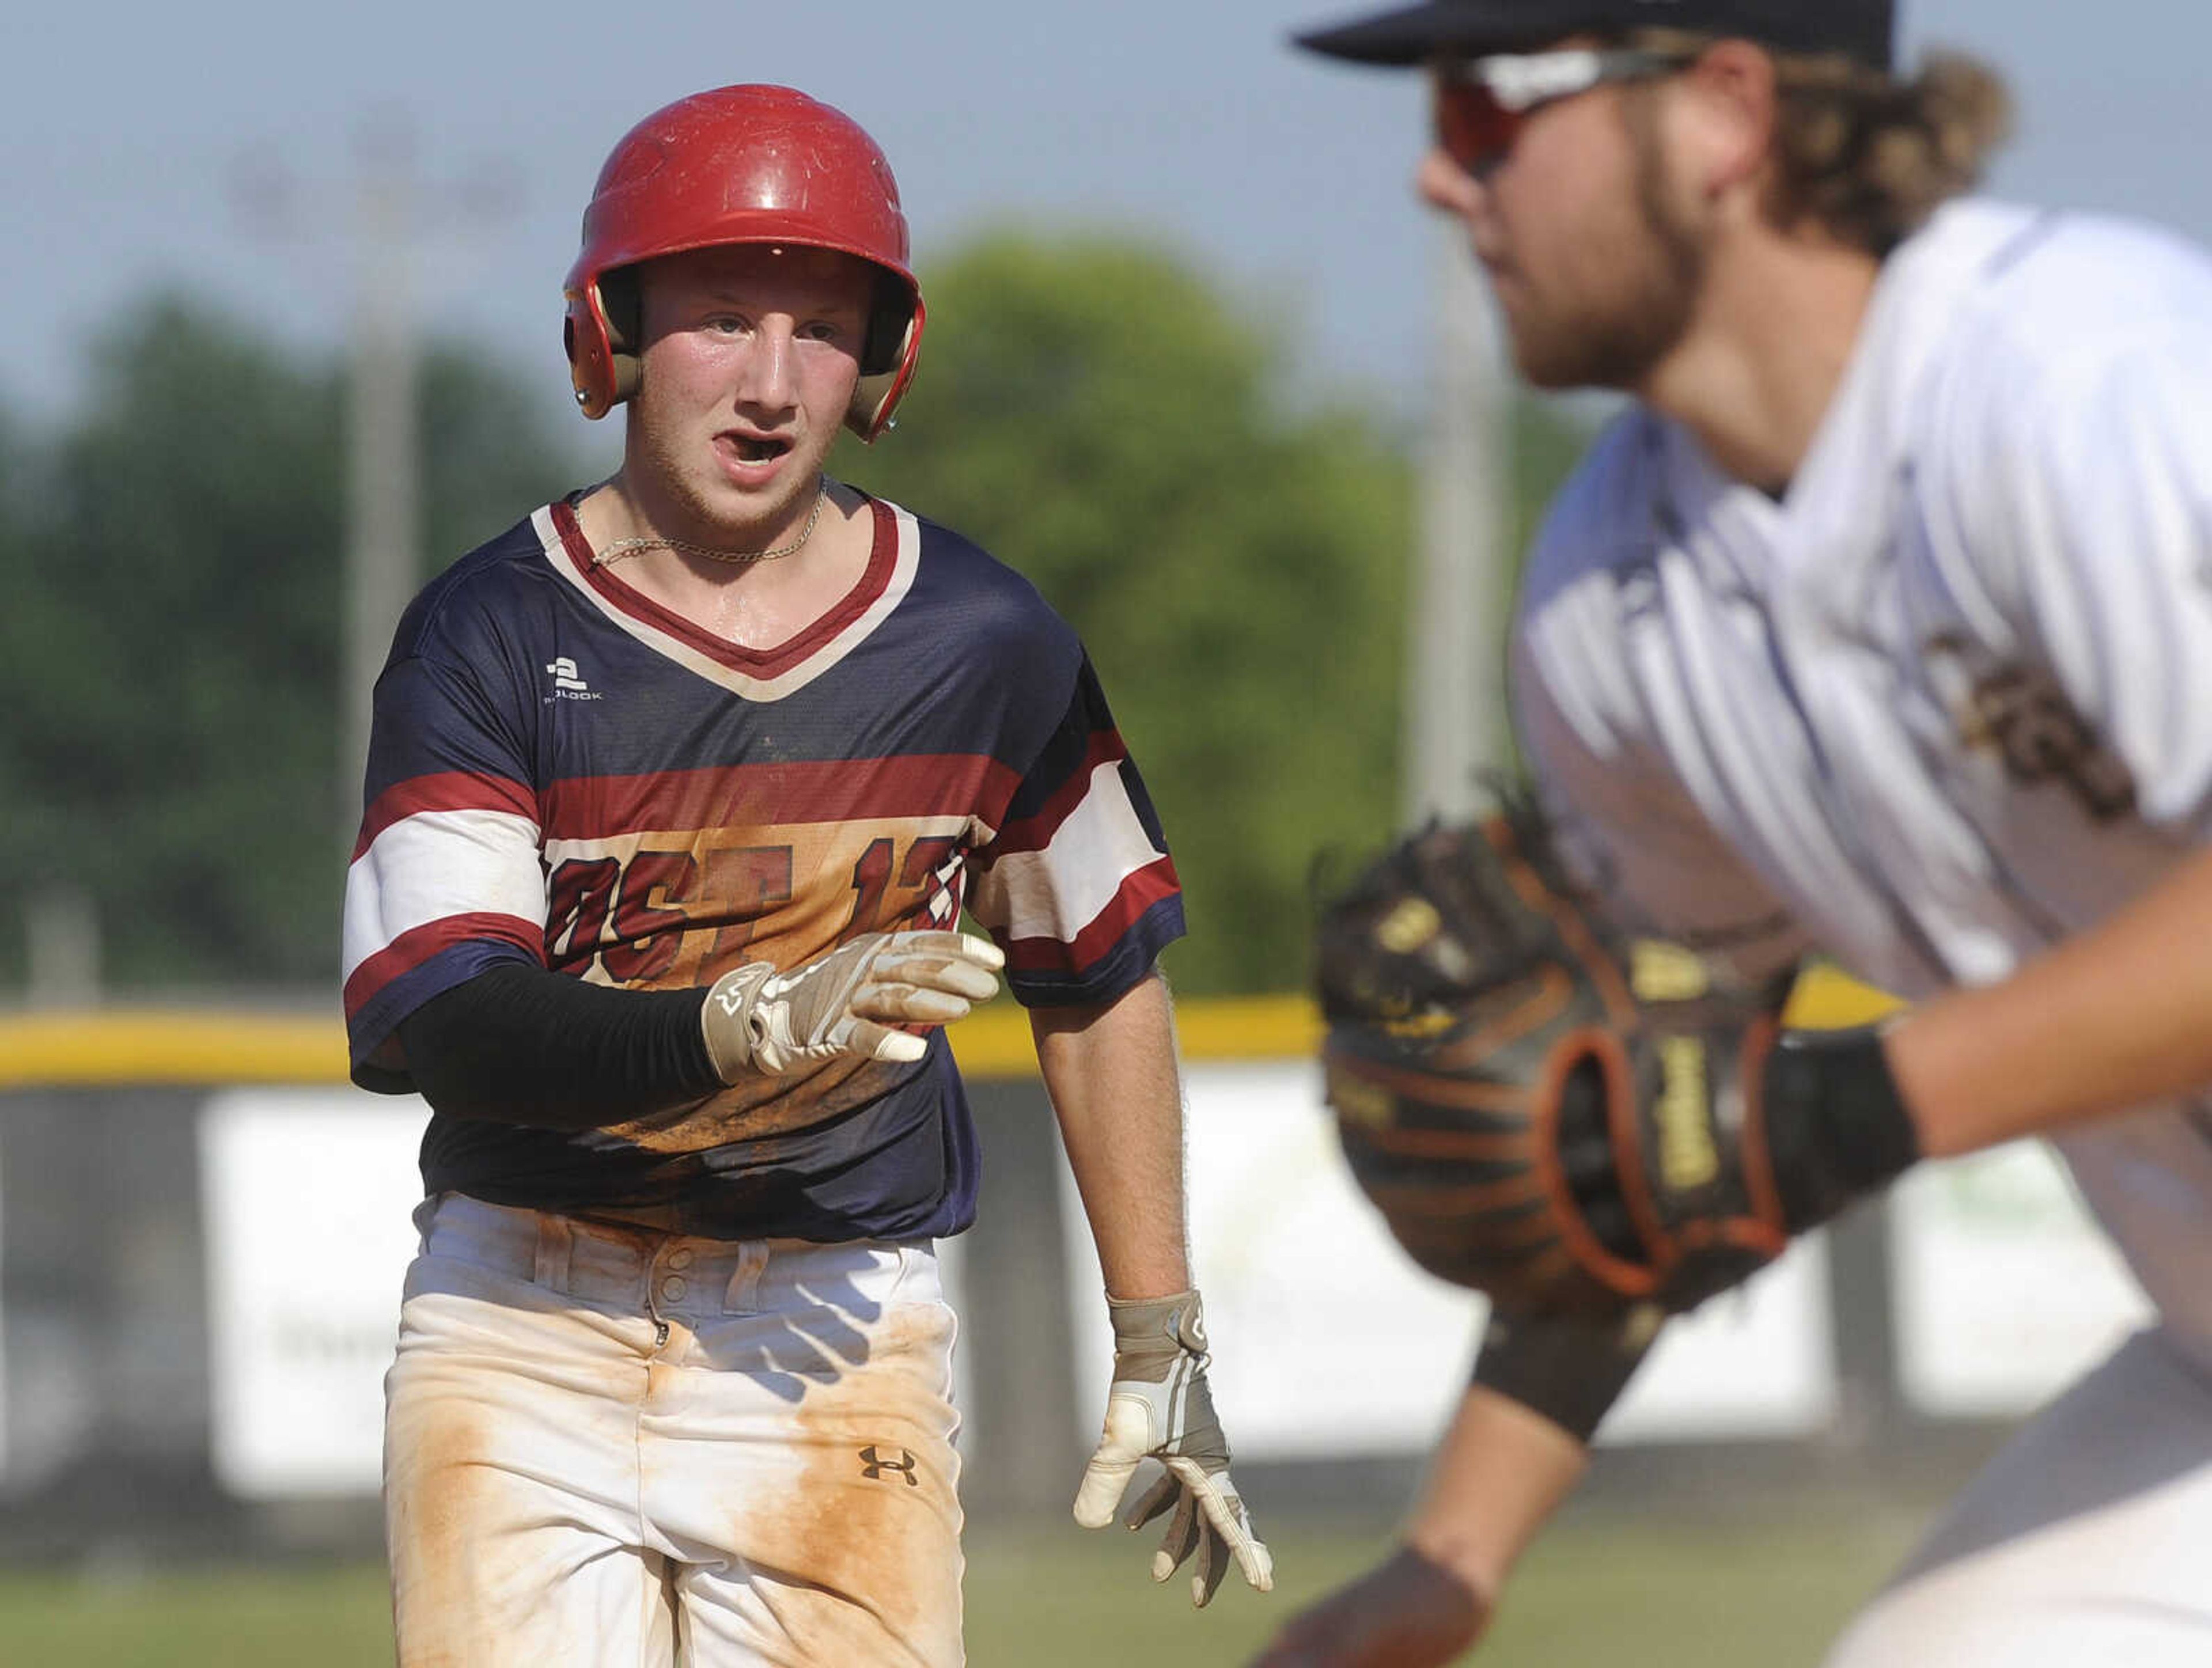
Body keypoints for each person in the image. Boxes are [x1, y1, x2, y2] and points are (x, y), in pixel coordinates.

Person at [1266, 2, 2212, 1664]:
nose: (1436, 175)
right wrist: (1453, 1562)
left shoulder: (2095, 385)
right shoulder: (1611, 602)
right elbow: (1648, 1109)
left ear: (1722, 114)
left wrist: (1857, 1106)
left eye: (1491, 112)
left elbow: (1778, 1122)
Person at [339, 82, 1270, 1668]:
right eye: (717, 318)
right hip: (524, 1326)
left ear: (883, 362)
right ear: (615, 332)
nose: (771, 382)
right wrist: (748, 1018)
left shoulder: (988, 641)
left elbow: (1100, 976)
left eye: (823, 330)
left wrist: (1162, 1332)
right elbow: (454, 1023)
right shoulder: (487, 633)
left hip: (832, 1332)